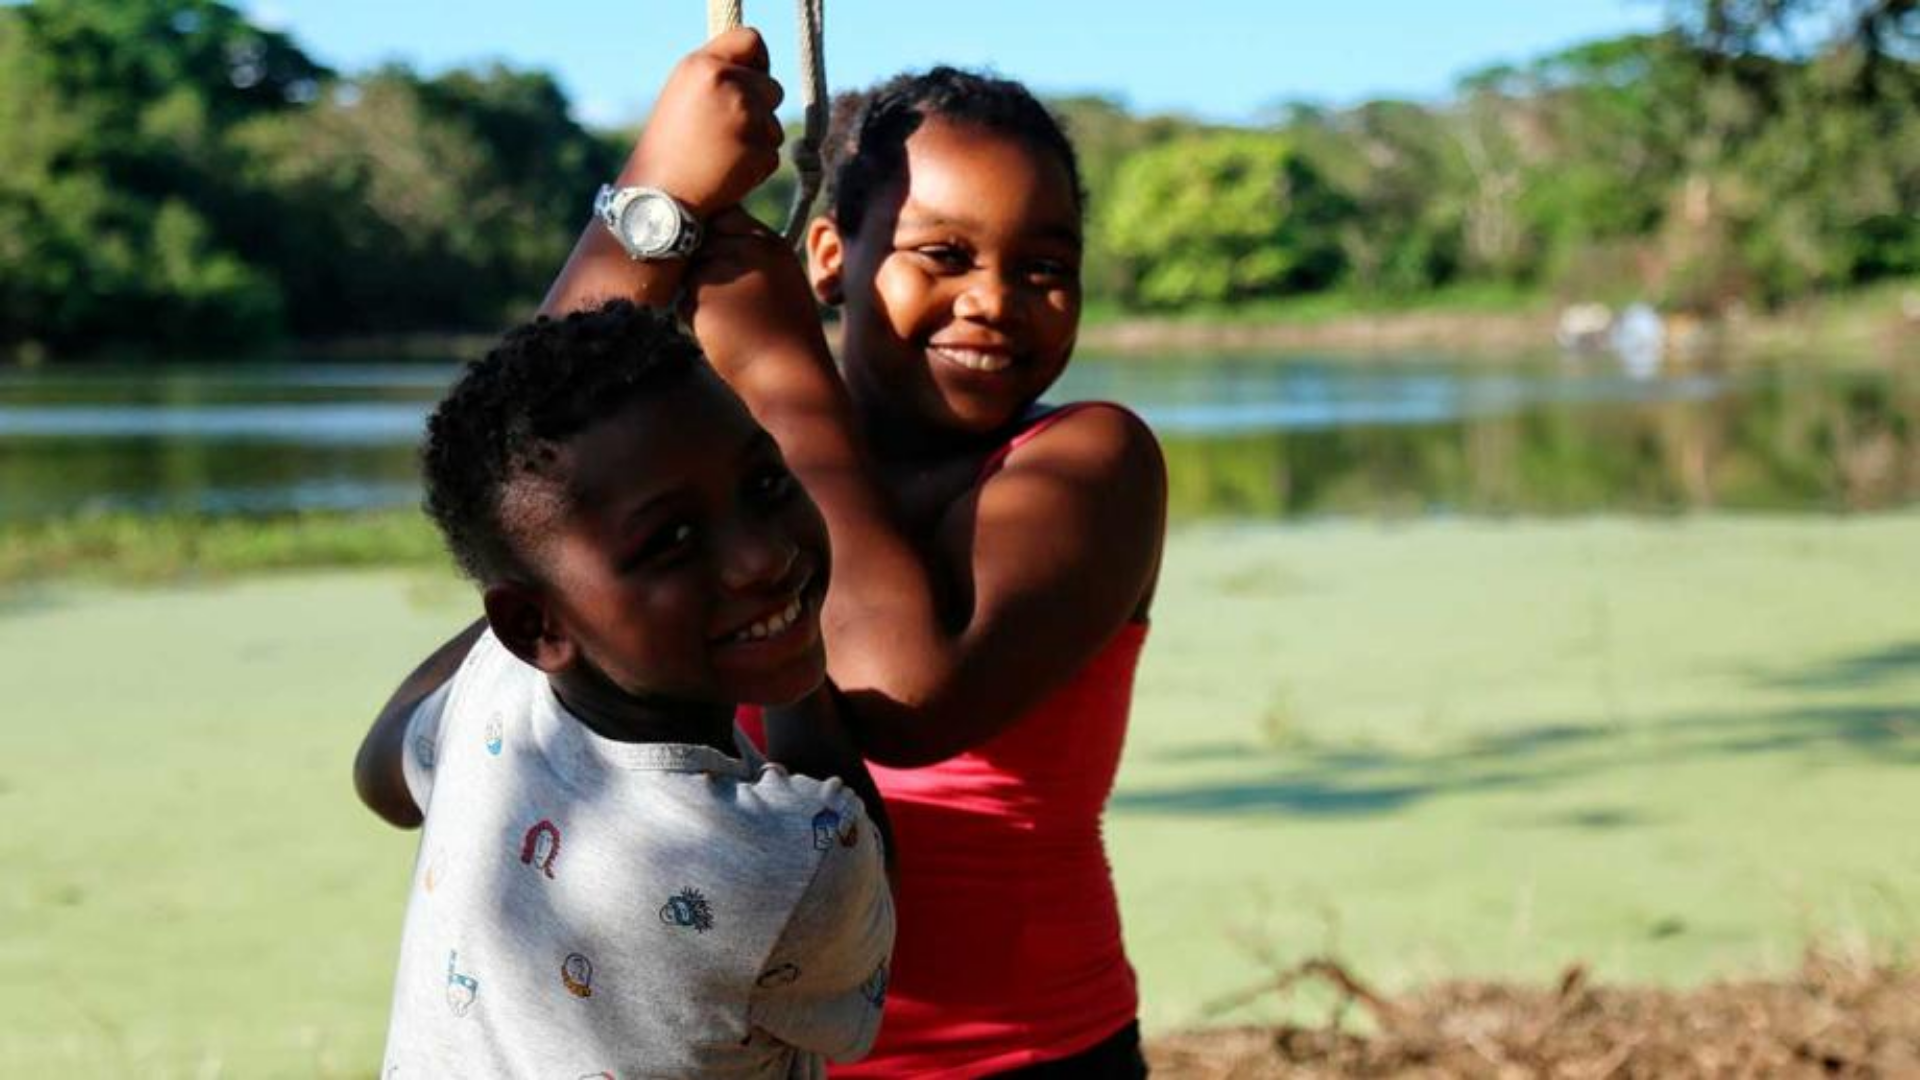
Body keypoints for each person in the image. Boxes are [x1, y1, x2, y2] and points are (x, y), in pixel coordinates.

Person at [547, 36, 1167, 1077]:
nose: (995, 298)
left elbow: (898, 692)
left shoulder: (1093, 462)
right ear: (832, 256)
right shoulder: (741, 474)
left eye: (1045, 268)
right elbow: (524, 462)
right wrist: (656, 196)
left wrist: (777, 368)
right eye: (945, 254)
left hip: (1025, 1059)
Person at [352, 299, 894, 1077]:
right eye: (672, 540)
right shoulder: (792, 856)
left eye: (766, 482)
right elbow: (874, 921)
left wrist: (545, 608)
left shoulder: (494, 684)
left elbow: (380, 774)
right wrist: (792, 651)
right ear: (533, 625)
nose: (762, 558)